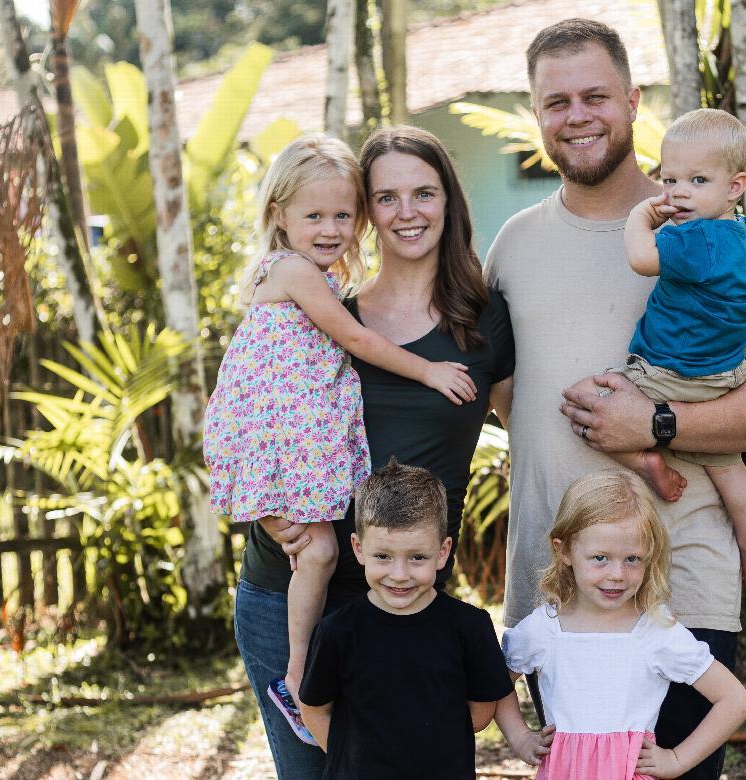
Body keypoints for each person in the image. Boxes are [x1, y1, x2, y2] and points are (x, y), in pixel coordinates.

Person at [484, 19, 746, 779]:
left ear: (633, 102)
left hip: (677, 592)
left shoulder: (708, 231)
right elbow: (508, 399)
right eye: (557, 101)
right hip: (557, 595)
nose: (578, 116)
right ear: (537, 114)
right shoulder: (512, 246)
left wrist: (655, 424)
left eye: (595, 96)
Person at [232, 126, 514, 779]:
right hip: (291, 589)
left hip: (409, 603)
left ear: (450, 201)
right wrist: (269, 513)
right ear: (370, 212)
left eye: (424, 193)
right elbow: (248, 413)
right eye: (387, 197)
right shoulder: (322, 310)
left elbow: (528, 436)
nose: (406, 211)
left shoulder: (486, 320)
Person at [567, 108, 746, 589]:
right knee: (728, 466)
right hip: (723, 380)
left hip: (664, 374)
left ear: (735, 186)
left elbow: (642, 258)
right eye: (670, 179)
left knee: (593, 404)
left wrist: (640, 217)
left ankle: (647, 460)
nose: (679, 192)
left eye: (697, 180)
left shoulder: (692, 239)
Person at [497, 470, 746, 779]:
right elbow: (494, 683)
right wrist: (520, 737)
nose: (617, 574)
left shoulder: (655, 631)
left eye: (632, 559)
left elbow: (735, 700)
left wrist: (676, 759)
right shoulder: (545, 629)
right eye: (600, 558)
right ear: (564, 551)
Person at [299, 458, 533, 778]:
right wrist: (351, 759)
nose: (399, 574)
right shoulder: (337, 631)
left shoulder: (470, 627)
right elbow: (314, 708)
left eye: (417, 557)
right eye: (383, 556)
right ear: (358, 548)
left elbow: (481, 711)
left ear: (443, 552)